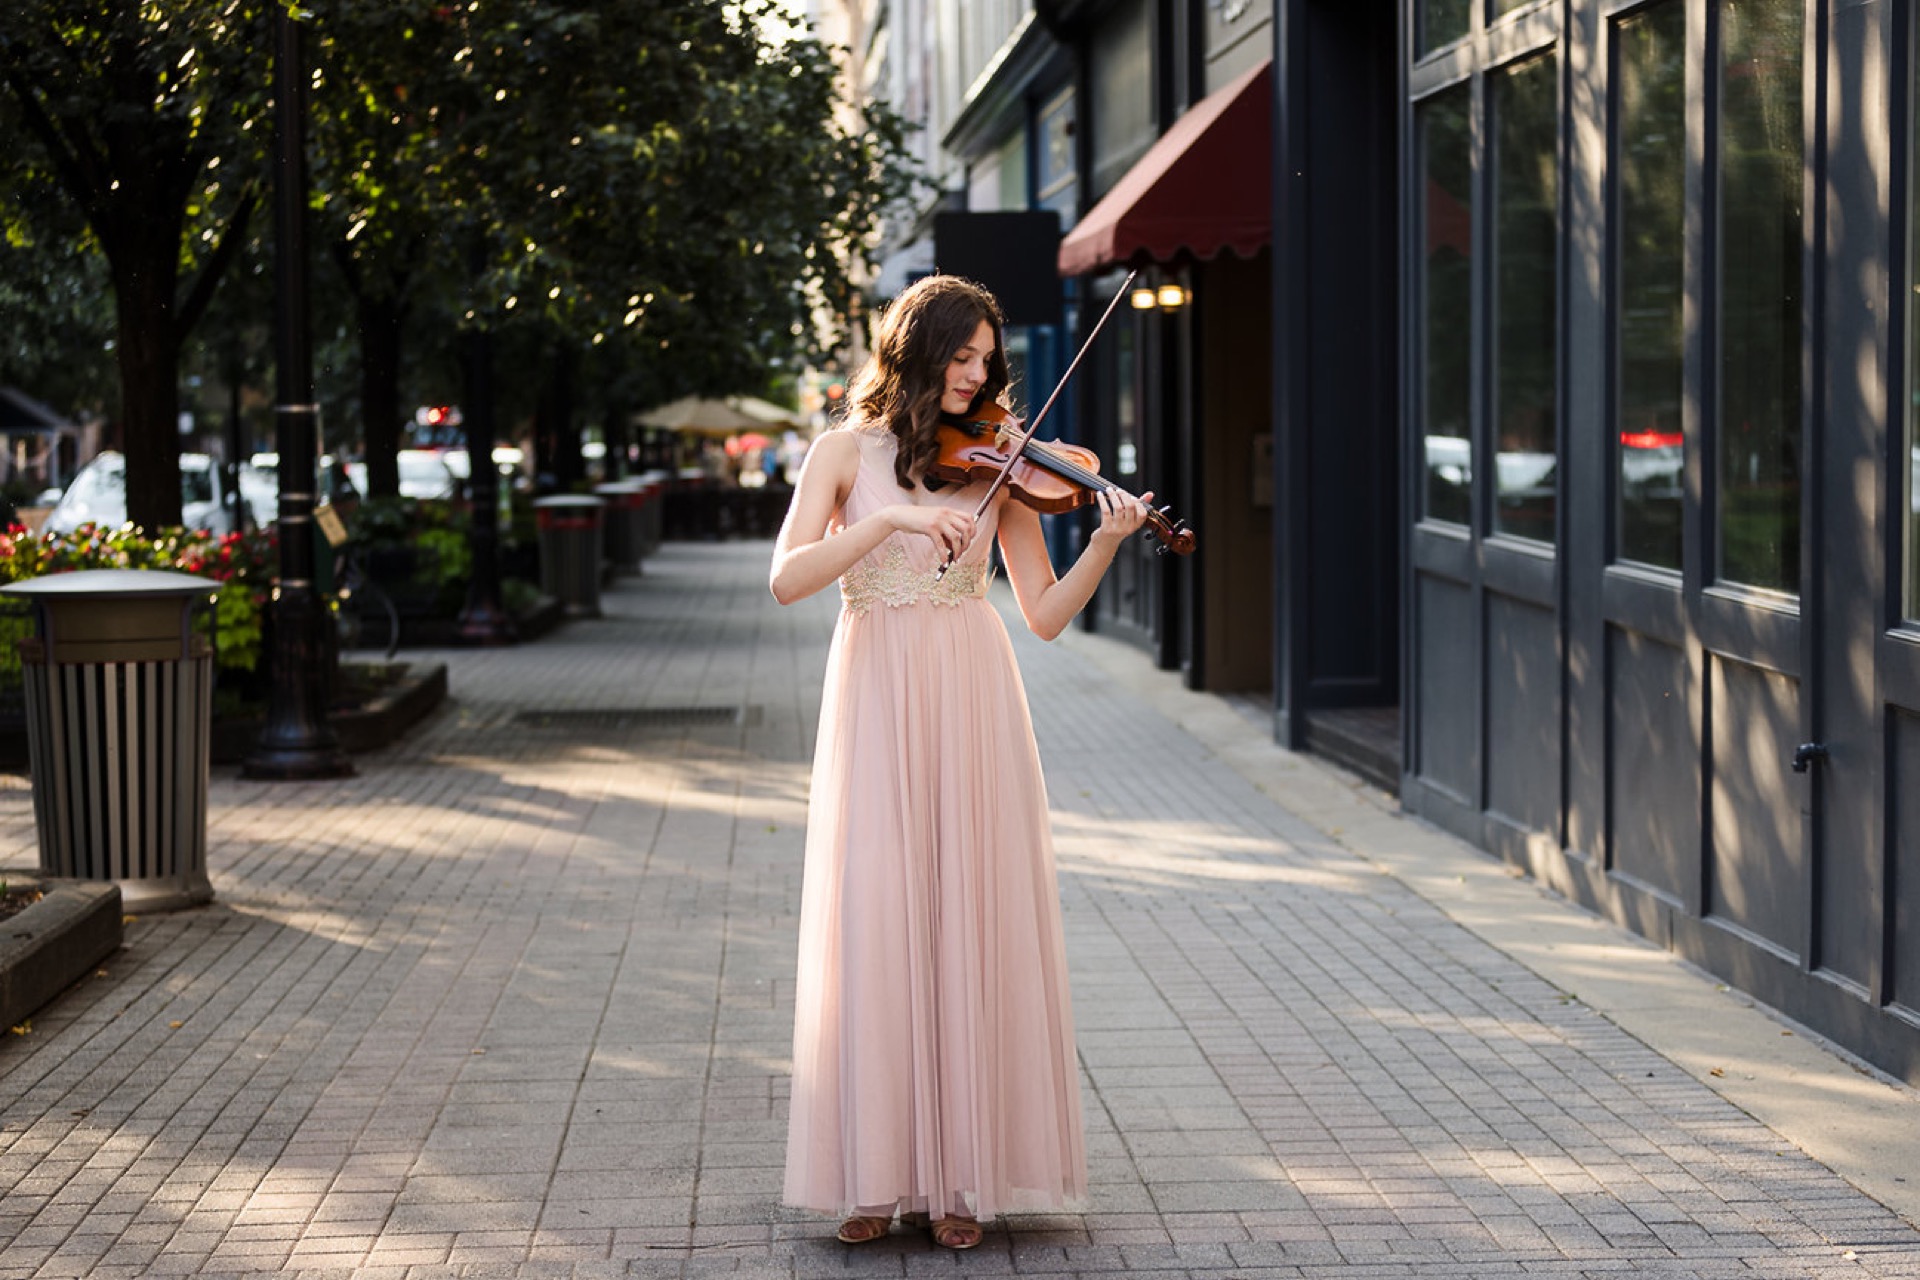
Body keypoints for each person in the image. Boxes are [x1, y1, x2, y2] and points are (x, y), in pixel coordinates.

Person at [769, 274, 1152, 1251]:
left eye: (990, 360)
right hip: (876, 696)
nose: (978, 376)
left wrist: (1106, 543)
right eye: (963, 356)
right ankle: (875, 1171)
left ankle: (961, 1180)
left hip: (973, 698)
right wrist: (891, 519)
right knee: (879, 918)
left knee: (965, 921)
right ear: (915, 352)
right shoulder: (841, 454)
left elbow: (1044, 616)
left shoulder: (999, 466)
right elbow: (786, 578)